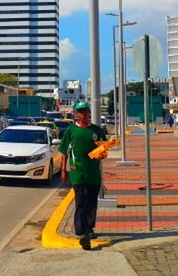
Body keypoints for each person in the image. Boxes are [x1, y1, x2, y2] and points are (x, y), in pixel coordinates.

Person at [59, 101, 107, 250]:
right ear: (75, 114)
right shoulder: (71, 130)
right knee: (81, 201)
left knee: (92, 202)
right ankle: (82, 231)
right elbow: (63, 152)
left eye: (85, 111)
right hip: (77, 173)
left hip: (93, 174)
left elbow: (104, 150)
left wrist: (101, 154)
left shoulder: (97, 131)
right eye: (79, 112)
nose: (82, 114)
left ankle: (89, 228)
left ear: (89, 113)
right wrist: (63, 170)